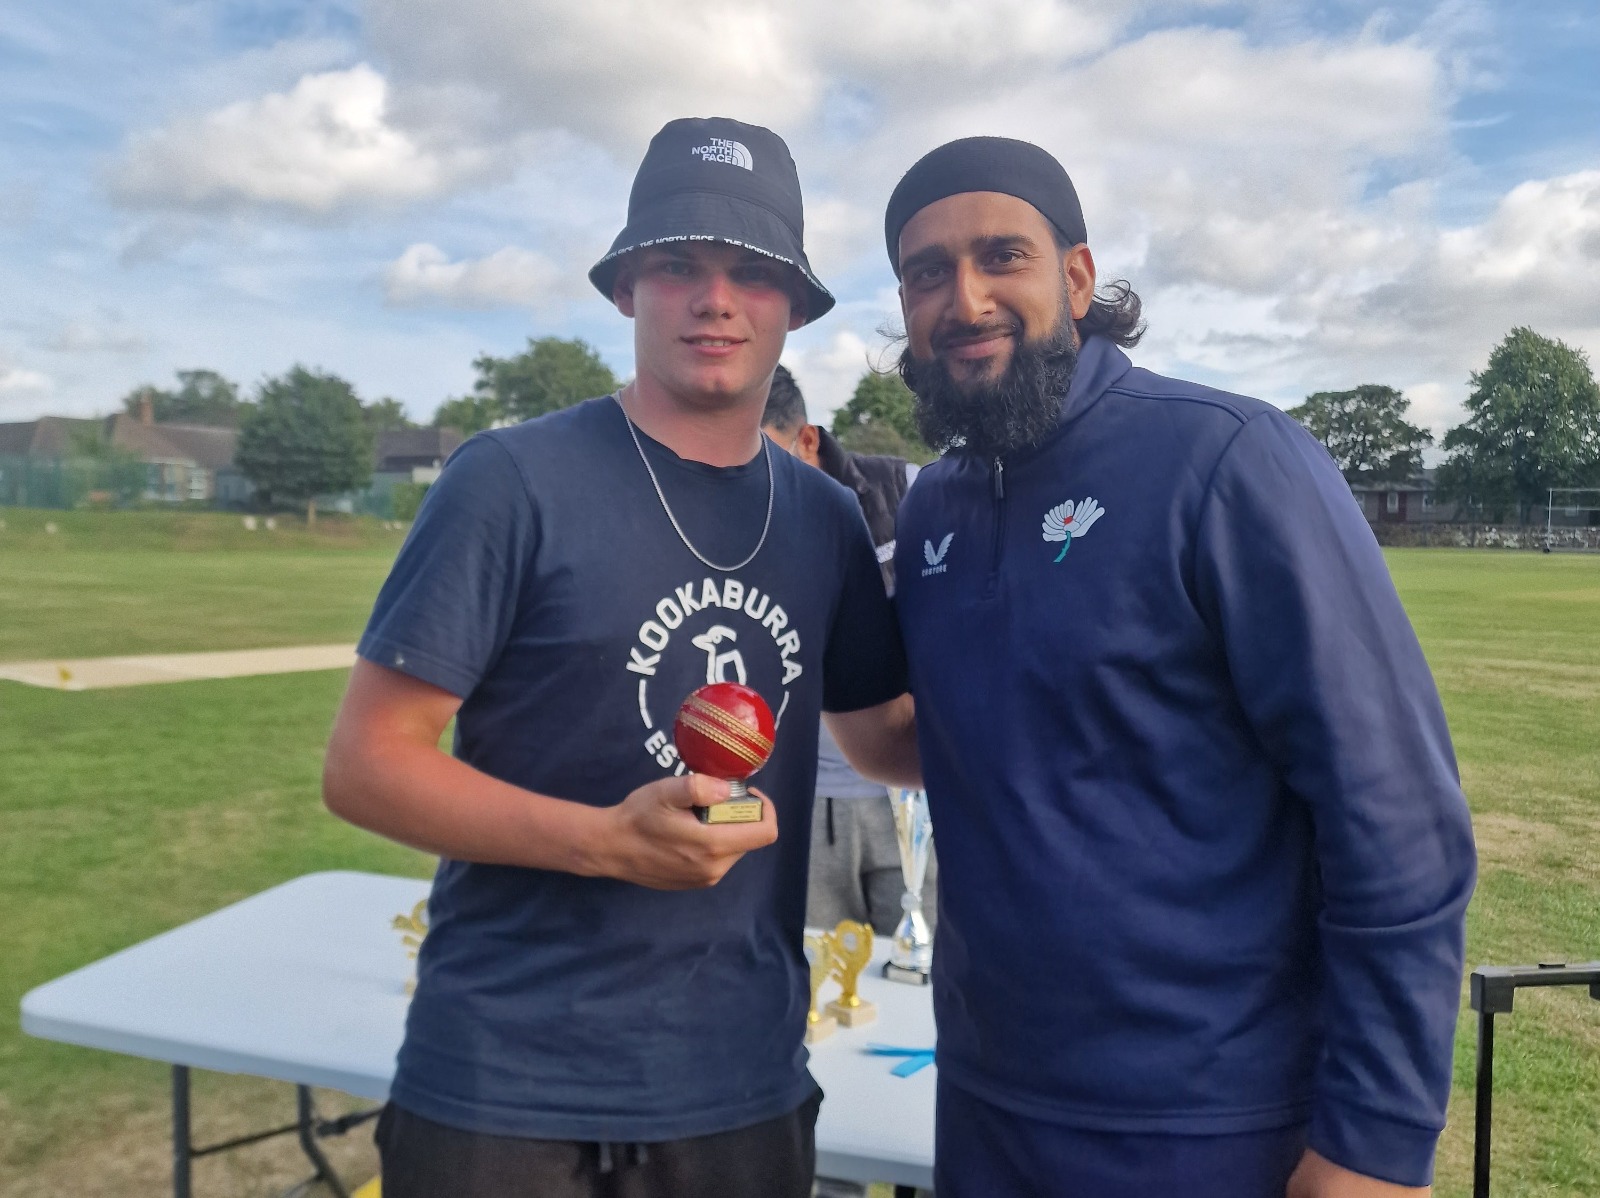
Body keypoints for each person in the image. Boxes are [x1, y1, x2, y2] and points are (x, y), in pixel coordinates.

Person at [322, 116, 917, 1198]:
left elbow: (886, 739)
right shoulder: (510, 479)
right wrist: (602, 842)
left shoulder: (826, 518)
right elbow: (368, 763)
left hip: (740, 1087)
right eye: (680, 265)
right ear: (625, 288)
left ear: (793, 306)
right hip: (504, 1085)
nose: (715, 298)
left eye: (752, 272)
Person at [882, 136, 1477, 1198]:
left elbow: (1394, 817)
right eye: (927, 272)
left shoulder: (1227, 458)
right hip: (986, 1105)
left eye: (1000, 256)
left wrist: (1374, 1143)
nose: (963, 298)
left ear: (1074, 276)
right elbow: (952, 737)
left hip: (1206, 1121)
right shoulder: (935, 504)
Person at [759, 365, 939, 941]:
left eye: (771, 458)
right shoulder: (719, 521)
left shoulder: (912, 494)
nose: (758, 481)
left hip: (914, 795)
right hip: (801, 799)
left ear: (807, 439)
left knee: (929, 968)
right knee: (826, 984)